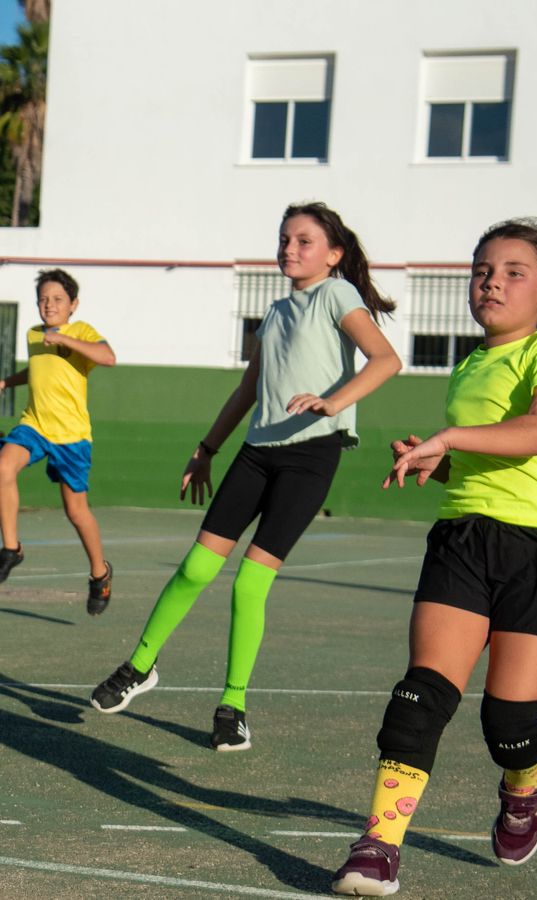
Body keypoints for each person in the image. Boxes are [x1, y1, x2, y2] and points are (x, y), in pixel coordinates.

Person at [331, 218, 537, 896]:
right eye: (482, 270)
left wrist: (448, 434)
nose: (492, 282)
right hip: (465, 539)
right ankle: (379, 845)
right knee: (419, 695)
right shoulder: (471, 363)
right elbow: (482, 464)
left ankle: (524, 783)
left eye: (513, 272)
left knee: (508, 724)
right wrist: (438, 462)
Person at [90, 203, 400, 752]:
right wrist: (207, 448)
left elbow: (385, 360)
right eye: (284, 239)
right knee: (194, 569)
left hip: (311, 457)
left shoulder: (337, 295)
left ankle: (232, 706)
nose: (289, 249)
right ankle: (140, 666)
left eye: (304, 241)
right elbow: (247, 391)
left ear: (333, 254)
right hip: (257, 452)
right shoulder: (276, 312)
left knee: (250, 583)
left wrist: (332, 402)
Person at [0, 269, 116, 613]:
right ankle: (11, 550)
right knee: (3, 466)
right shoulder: (34, 335)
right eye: (43, 299)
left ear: (73, 304)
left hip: (72, 437)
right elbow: (40, 369)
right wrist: (4, 384)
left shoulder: (81, 332)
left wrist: (65, 339)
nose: (49, 305)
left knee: (76, 512)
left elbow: (108, 357)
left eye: (57, 300)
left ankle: (100, 574)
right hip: (34, 425)